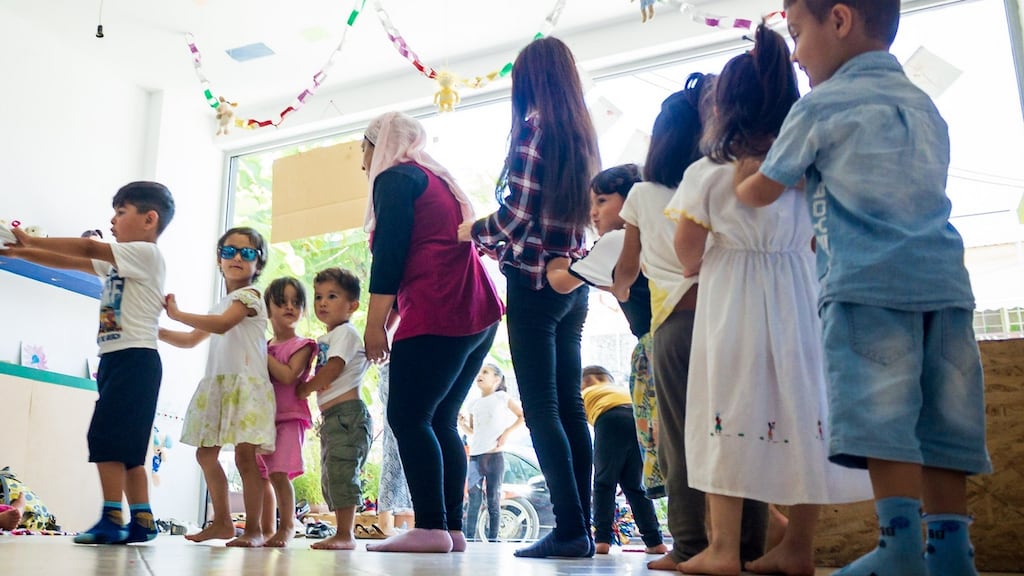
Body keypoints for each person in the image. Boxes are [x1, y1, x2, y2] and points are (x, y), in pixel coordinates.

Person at [737, 2, 992, 575]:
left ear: (841, 20)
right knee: (943, 425)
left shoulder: (821, 105)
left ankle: (899, 549)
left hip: (868, 285)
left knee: (885, 419)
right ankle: (951, 555)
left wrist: (743, 176)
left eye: (798, 34)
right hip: (947, 287)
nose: (796, 53)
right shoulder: (924, 106)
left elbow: (762, 191)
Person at [670, 25, 871, 576]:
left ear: (724, 108)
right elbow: (817, 238)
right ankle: (798, 549)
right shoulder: (810, 170)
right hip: (801, 298)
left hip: (732, 303)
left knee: (725, 413)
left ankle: (723, 549)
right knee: (806, 414)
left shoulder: (705, 173)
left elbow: (687, 256)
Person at [458, 36, 601, 559]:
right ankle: (582, 527)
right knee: (568, 408)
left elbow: (514, 218)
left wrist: (472, 231)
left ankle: (568, 530)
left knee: (542, 408)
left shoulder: (535, 129)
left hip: (535, 284)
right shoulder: (583, 135)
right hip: (572, 285)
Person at [361, 111, 504, 554]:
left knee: (408, 417)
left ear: (377, 145)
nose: (363, 164)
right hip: (477, 310)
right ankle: (450, 530)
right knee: (439, 419)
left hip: (440, 310)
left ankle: (429, 527)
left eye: (362, 153)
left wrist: (374, 326)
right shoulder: (434, 179)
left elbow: (391, 256)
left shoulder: (396, 178)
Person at [2, 181, 174, 545]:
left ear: (149, 219)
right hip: (121, 360)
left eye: (121, 212)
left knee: (106, 439)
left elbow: (84, 245)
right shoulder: (121, 262)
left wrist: (29, 240)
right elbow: (75, 260)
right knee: (128, 451)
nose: (112, 220)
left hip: (133, 359)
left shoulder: (145, 253)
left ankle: (112, 517)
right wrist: (21, 254)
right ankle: (142, 519)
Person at [547, 164, 665, 500]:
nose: (593, 213)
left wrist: (556, 261)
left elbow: (562, 282)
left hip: (655, 348)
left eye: (601, 201)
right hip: (678, 337)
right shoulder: (654, 236)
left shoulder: (618, 238)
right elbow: (615, 286)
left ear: (632, 201)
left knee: (663, 444)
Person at [160, 226, 276, 548]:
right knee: (205, 454)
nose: (237, 257)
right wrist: (155, 330)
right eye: (229, 251)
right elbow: (190, 340)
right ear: (219, 260)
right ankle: (223, 522)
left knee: (245, 457)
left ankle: (254, 529)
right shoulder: (219, 304)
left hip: (246, 385)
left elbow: (224, 325)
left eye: (247, 252)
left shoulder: (250, 296)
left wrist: (179, 313)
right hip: (221, 385)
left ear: (258, 263)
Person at [294, 267, 372, 551]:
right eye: (317, 297)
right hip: (333, 418)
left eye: (331, 296)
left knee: (342, 472)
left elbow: (335, 368)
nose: (322, 302)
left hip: (347, 415)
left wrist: (306, 388)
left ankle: (345, 534)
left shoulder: (346, 333)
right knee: (331, 475)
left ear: (352, 305)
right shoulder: (329, 337)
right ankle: (342, 531)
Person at [256, 277, 318, 548]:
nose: (289, 307)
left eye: (296, 302)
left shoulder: (302, 345)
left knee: (279, 473)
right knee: (262, 475)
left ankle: (289, 525)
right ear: (268, 311)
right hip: (263, 420)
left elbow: (288, 375)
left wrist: (260, 352)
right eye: (281, 302)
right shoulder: (264, 345)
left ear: (303, 310)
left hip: (290, 416)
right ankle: (265, 528)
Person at [580, 366, 667, 556]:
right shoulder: (621, 389)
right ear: (607, 379)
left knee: (604, 484)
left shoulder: (585, 393)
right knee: (635, 487)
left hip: (609, 419)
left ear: (584, 382)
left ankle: (602, 540)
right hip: (638, 420)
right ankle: (654, 541)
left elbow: (577, 427)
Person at [459, 363, 525, 542]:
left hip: (494, 455)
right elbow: (474, 431)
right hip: (475, 456)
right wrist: (462, 424)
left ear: (496, 379)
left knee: (493, 499)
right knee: (473, 499)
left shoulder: (502, 397)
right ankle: (469, 539)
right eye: (479, 372)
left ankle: (493, 539)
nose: (480, 375)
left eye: (485, 372)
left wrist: (506, 434)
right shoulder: (474, 403)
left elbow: (522, 416)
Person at [376, 363, 415, 537]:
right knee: (394, 454)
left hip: (405, 366)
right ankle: (385, 525)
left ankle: (421, 526)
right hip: (393, 366)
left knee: (409, 454)